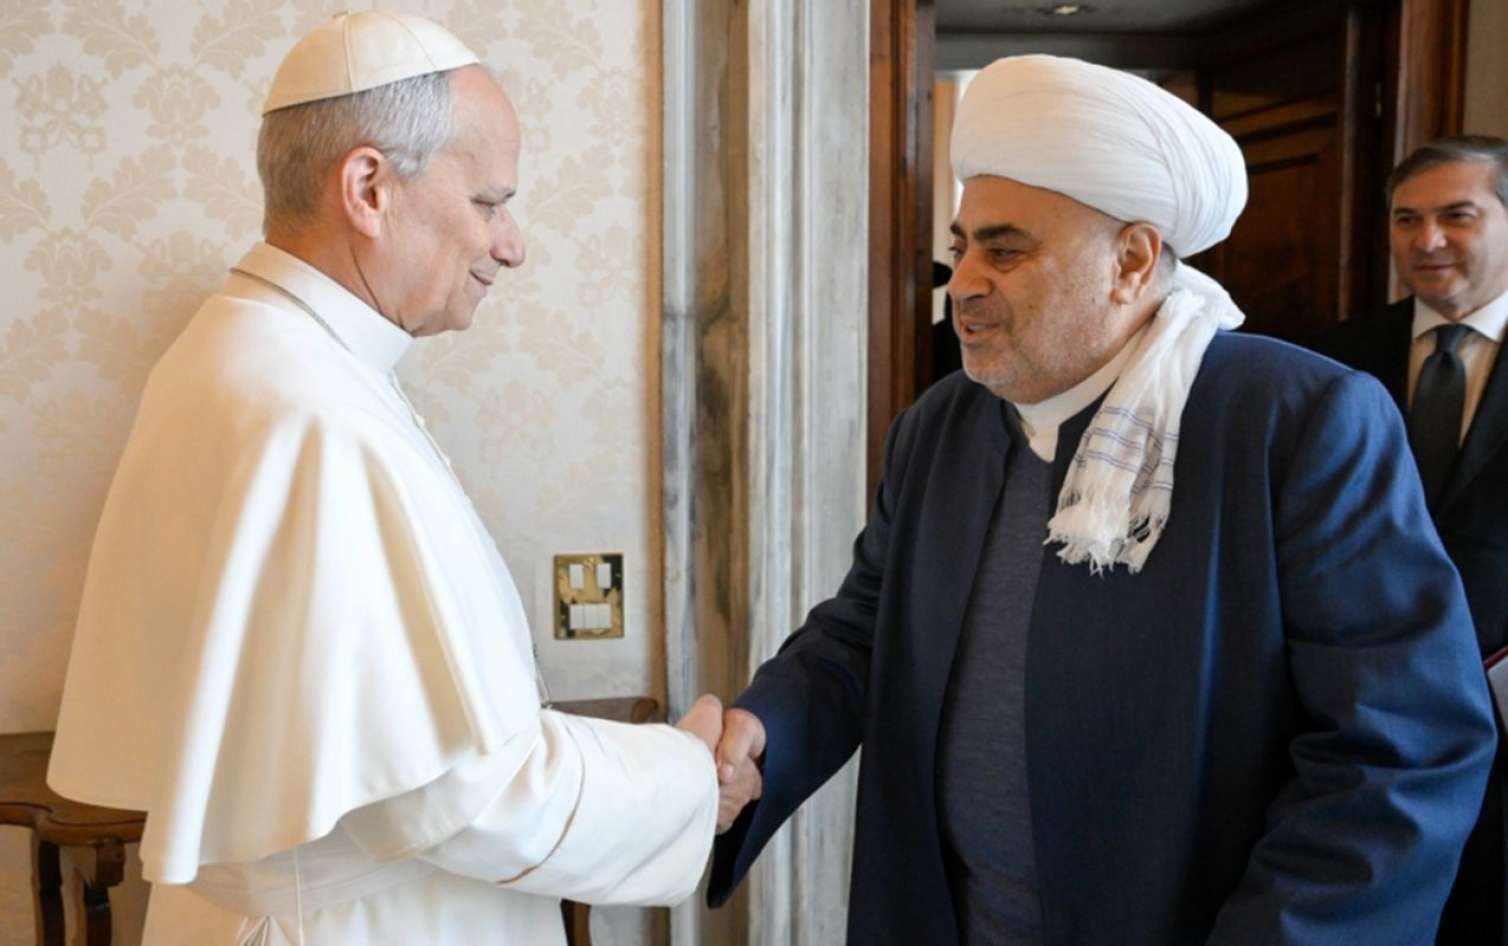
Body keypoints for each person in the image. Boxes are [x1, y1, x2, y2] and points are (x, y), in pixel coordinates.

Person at [706, 55, 1496, 946]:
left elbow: (1400, 751)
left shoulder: (1296, 420)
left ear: (1131, 260)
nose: (964, 282)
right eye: (962, 248)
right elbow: (862, 630)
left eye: (1005, 250)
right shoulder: (941, 424)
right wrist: (763, 731)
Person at [47, 11, 719, 945]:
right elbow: (462, 794)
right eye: (488, 202)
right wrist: (691, 775)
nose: (512, 244)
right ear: (368, 187)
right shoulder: (311, 413)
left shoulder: (248, 351)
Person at [1310, 135, 1508, 946]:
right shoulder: (1328, 359)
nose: (1427, 240)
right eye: (1406, 219)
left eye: (1457, 216)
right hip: (1356, 718)